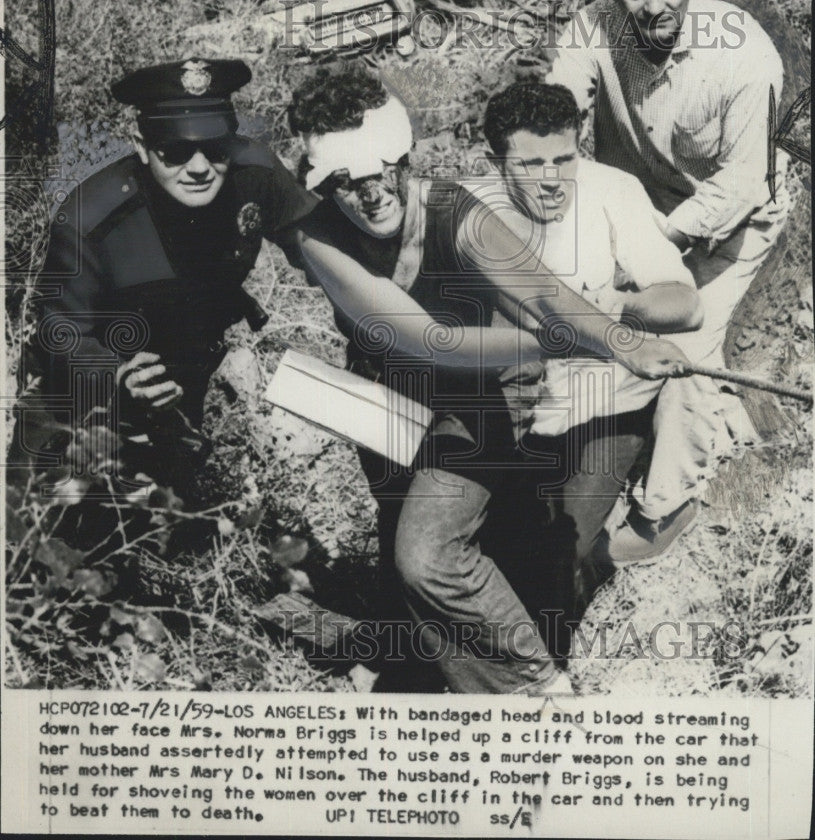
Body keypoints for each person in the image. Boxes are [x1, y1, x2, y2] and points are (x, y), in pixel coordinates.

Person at [290, 64, 691, 694]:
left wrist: (617, 340)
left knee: (426, 554)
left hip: (473, 401)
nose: (371, 194)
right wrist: (557, 341)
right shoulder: (316, 237)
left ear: (406, 158)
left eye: (383, 171)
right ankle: (444, 681)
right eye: (346, 182)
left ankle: (535, 688)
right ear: (322, 185)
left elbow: (547, 295)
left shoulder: (456, 210)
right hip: (383, 398)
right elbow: (421, 338)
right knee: (404, 549)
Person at [547, 0, 788, 561]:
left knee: (688, 352)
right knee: (577, 315)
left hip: (728, 219)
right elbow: (553, 121)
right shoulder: (590, 28)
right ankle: (578, 460)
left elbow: (741, 185)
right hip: (640, 206)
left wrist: (649, 246)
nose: (654, 5)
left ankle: (663, 511)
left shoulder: (742, 56)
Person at [10, 58, 317, 498]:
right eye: (174, 151)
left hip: (175, 384)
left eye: (215, 148)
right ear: (140, 144)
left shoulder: (256, 175)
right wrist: (118, 376)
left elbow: (322, 250)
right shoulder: (92, 219)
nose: (199, 167)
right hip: (79, 391)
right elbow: (59, 333)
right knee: (48, 527)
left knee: (168, 527)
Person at [477, 79, 703, 636]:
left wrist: (613, 311)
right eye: (531, 165)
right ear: (495, 162)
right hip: (522, 420)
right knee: (493, 558)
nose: (552, 180)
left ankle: (599, 560)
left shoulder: (611, 190)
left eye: (564, 158)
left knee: (558, 560)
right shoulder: (468, 211)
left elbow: (685, 304)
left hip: (608, 408)